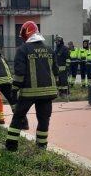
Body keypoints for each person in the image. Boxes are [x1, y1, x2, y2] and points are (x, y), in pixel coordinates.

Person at [5, 21, 58, 152]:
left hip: (29, 93)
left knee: (18, 117)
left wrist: (14, 89)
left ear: (26, 33)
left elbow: (19, 73)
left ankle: (11, 147)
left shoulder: (23, 50)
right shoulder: (49, 49)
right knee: (44, 120)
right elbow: (56, 71)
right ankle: (41, 147)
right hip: (48, 93)